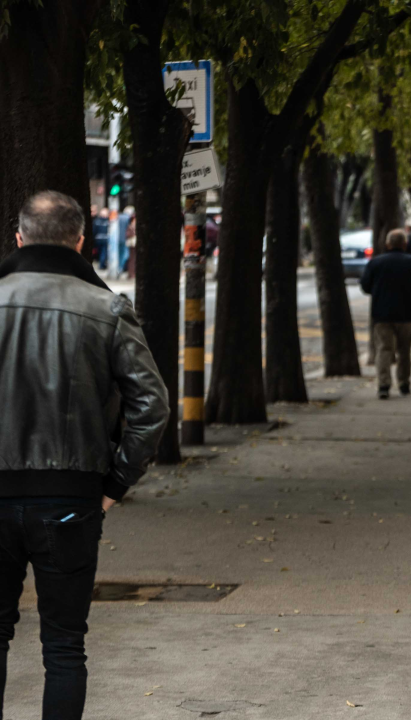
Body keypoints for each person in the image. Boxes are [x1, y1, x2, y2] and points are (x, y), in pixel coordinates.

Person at [0, 191, 169, 720]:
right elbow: (152, 406)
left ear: (19, 238)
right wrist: (115, 485)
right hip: (71, 498)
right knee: (64, 645)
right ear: (80, 242)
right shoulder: (107, 308)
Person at [360, 228, 411, 400]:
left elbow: (365, 286)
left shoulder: (375, 263)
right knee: (405, 351)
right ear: (405, 244)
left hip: (382, 314)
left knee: (384, 349)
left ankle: (384, 385)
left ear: (387, 244)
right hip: (407, 314)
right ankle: (404, 384)